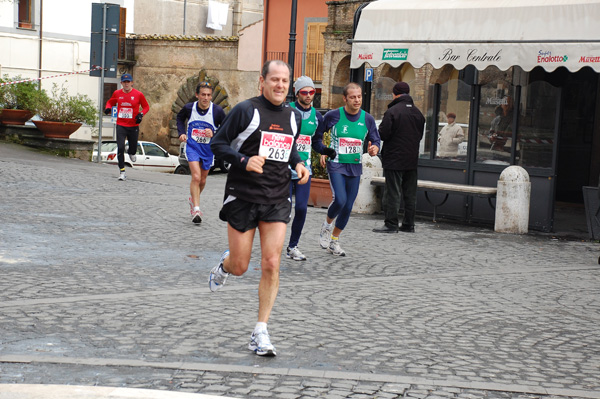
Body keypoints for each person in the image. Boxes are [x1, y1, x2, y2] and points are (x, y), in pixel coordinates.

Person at [208, 60, 309, 357]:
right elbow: (218, 144)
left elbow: (288, 146)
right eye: (274, 79)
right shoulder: (245, 111)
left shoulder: (293, 116)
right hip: (243, 195)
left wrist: (299, 163)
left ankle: (261, 330)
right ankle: (226, 264)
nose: (280, 85)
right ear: (262, 81)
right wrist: (243, 160)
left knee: (271, 263)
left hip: (277, 197)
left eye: (285, 81)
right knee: (241, 266)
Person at [313, 82, 380, 256]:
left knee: (348, 206)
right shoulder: (333, 115)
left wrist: (375, 149)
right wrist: (323, 150)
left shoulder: (367, 119)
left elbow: (376, 140)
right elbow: (318, 135)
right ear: (345, 98)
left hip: (354, 166)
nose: (357, 100)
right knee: (340, 199)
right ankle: (327, 226)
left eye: (359, 97)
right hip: (336, 163)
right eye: (353, 97)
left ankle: (334, 241)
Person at [372, 81, 425, 234]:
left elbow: (383, 133)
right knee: (410, 194)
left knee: (392, 192)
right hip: (412, 159)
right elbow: (420, 135)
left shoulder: (392, 112)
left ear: (395, 94)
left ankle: (391, 224)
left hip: (394, 158)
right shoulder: (418, 113)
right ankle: (409, 224)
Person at [286, 76, 326, 261]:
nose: (309, 95)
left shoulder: (317, 116)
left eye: (312, 92)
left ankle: (293, 246)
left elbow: (316, 142)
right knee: (283, 209)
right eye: (305, 92)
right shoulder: (287, 110)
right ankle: (271, 242)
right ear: (297, 94)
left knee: (301, 208)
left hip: (305, 169)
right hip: (284, 168)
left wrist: (326, 151)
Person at [176, 81, 226, 224]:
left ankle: (193, 199)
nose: (205, 98)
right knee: (196, 177)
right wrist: (181, 133)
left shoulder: (216, 111)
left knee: (203, 180)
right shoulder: (189, 108)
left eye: (208, 95)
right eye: (203, 94)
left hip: (208, 150)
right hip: (192, 146)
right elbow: (179, 118)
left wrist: (214, 132)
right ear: (197, 95)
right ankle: (196, 209)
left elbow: (226, 127)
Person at [104, 73, 150, 181]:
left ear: (132, 83)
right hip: (121, 125)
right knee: (120, 147)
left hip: (133, 125)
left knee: (133, 149)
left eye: (128, 82)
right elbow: (110, 102)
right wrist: (108, 107)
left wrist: (141, 114)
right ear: (121, 83)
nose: (126, 84)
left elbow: (146, 107)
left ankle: (131, 152)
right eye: (124, 82)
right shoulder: (117, 93)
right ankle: (122, 172)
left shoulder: (138, 94)